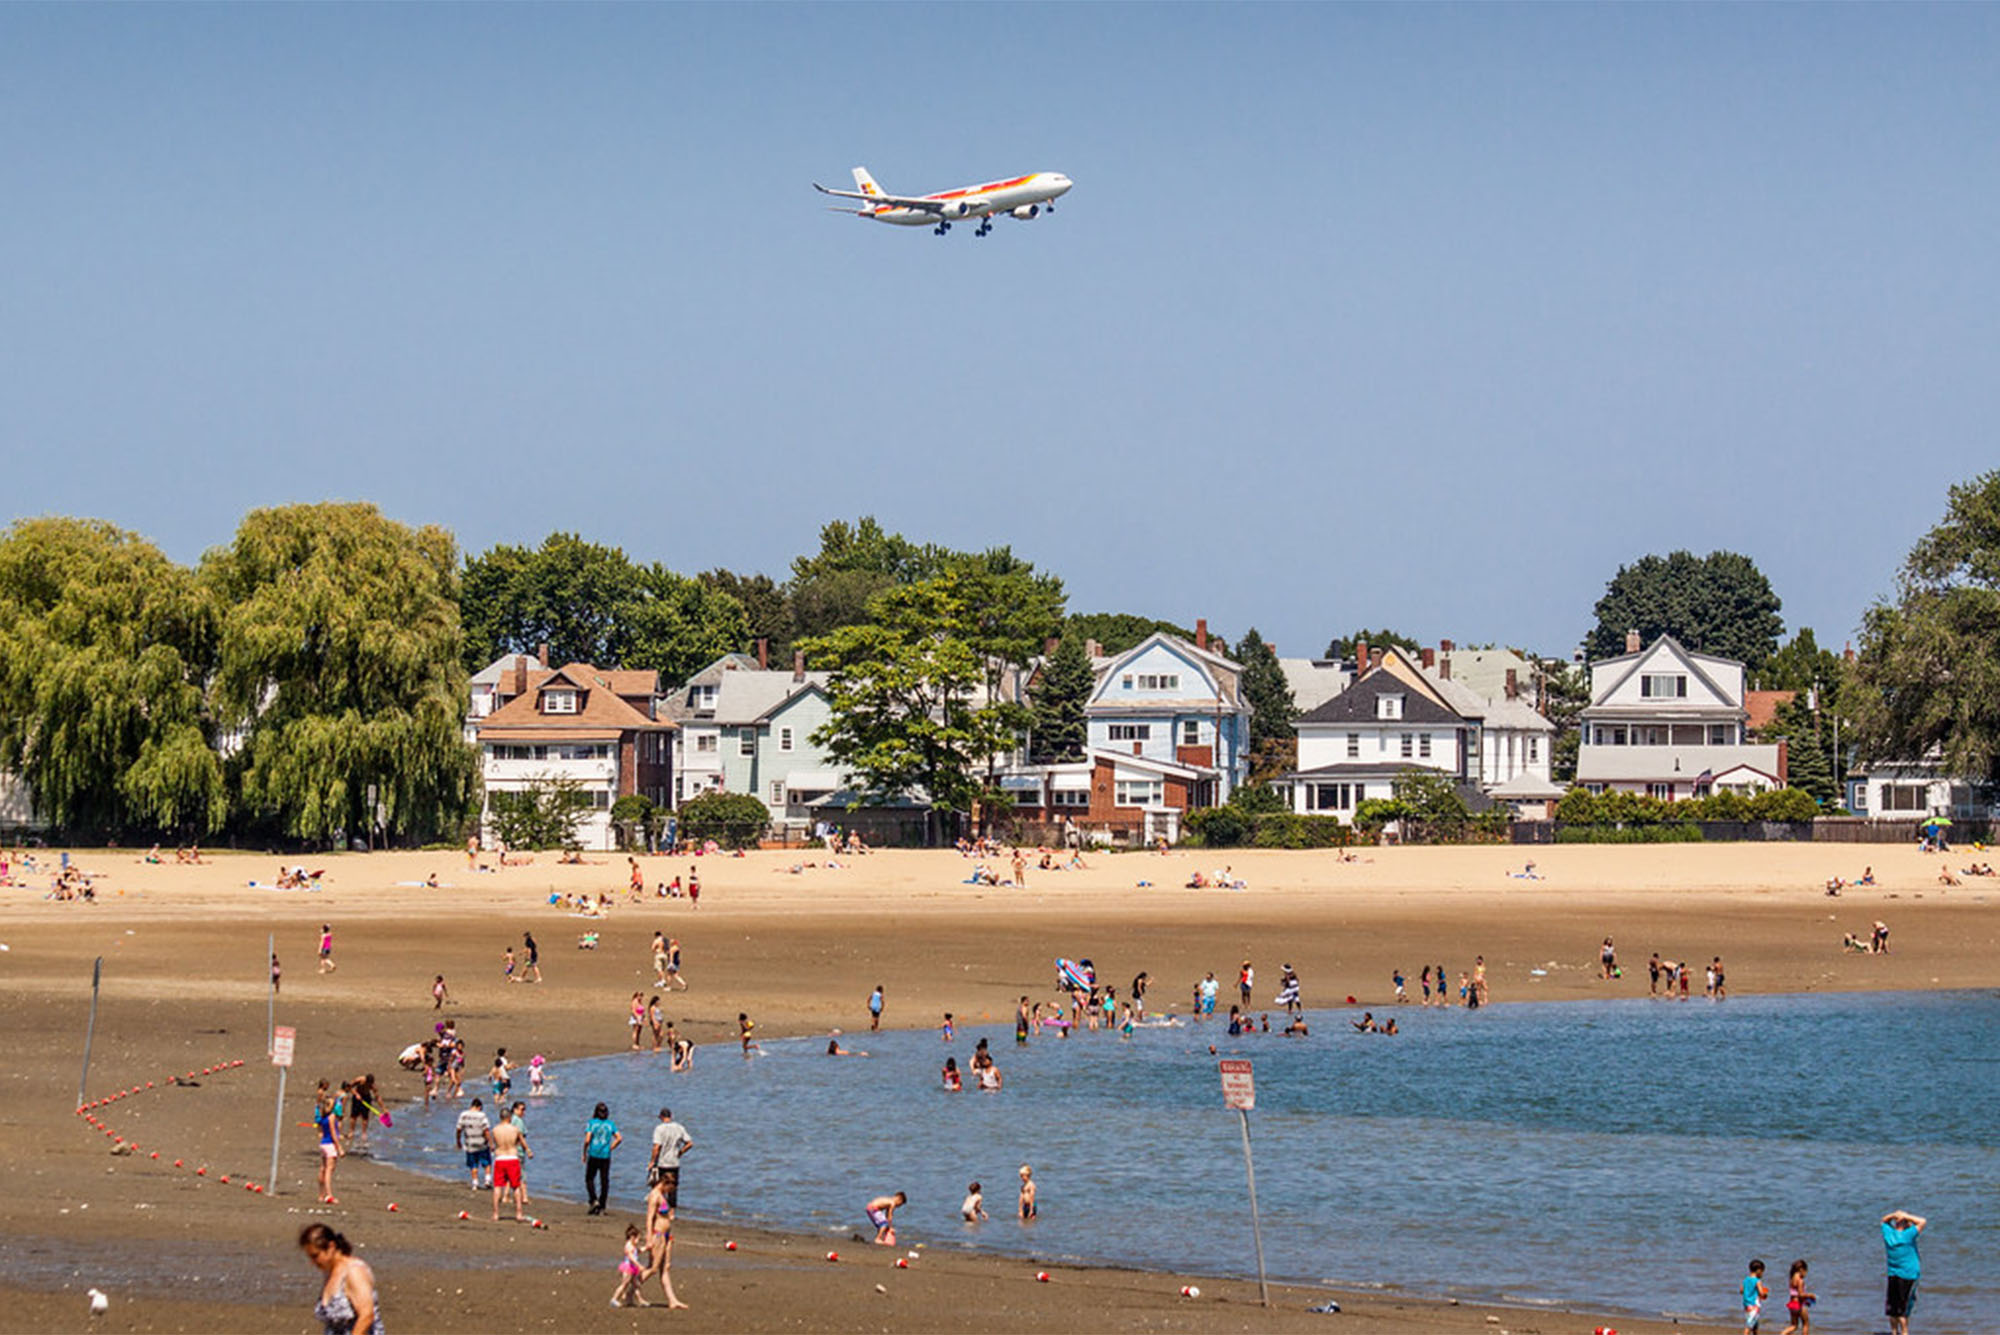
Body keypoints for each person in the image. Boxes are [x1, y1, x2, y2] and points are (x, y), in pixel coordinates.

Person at [299, 1223, 380, 1335]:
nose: (313, 1262)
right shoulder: (331, 1272)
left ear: (331, 1247)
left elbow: (366, 1316)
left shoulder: (354, 1271)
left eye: (315, 1256)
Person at [641, 1174, 690, 1309]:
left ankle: (672, 1300)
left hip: (667, 1235)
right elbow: (649, 1218)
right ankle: (631, 1289)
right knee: (653, 1268)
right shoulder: (655, 1195)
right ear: (665, 1184)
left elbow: (663, 1215)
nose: (670, 1192)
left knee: (665, 1268)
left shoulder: (662, 1195)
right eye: (670, 1188)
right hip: (658, 1235)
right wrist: (649, 1238)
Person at [1881, 1208, 1926, 1335]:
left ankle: (1894, 1332)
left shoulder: (1888, 1234)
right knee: (1904, 1307)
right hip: (1909, 1275)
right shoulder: (1908, 1235)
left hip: (1893, 1273)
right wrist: (1906, 1215)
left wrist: (1894, 1215)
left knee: (1892, 1307)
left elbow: (1883, 1221)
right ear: (1906, 1224)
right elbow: (1922, 1221)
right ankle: (1905, 1332)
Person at [648, 1107, 693, 1210]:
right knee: (673, 1188)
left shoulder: (659, 1129)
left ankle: (663, 1209)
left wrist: (652, 1161)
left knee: (660, 1187)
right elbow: (689, 1143)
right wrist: (680, 1152)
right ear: (671, 1116)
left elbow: (656, 1147)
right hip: (674, 1162)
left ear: (661, 1117)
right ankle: (672, 1212)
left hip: (662, 1163)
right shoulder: (679, 1128)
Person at [489, 1110, 528, 1222]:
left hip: (500, 1158)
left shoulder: (495, 1130)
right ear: (509, 1118)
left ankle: (496, 1213)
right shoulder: (515, 1129)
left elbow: (493, 1145)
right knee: (516, 1187)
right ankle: (519, 1213)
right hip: (512, 1158)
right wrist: (528, 1150)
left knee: (497, 1186)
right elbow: (522, 1142)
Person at [583, 1102, 621, 1215]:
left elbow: (587, 1140)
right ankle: (602, 1205)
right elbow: (619, 1138)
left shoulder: (592, 1123)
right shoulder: (610, 1124)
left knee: (589, 1178)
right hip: (605, 1155)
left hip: (594, 1153)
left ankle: (593, 1199)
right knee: (604, 1180)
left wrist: (584, 1152)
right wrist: (610, 1148)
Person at [314, 1084, 342, 1204]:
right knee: (329, 1170)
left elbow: (321, 1130)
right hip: (330, 1144)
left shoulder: (323, 1117)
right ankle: (329, 1195)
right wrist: (339, 1147)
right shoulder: (331, 1117)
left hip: (323, 1144)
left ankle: (321, 1195)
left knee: (323, 1169)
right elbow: (333, 1133)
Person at [612, 1223, 650, 1308]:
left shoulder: (633, 1245)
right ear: (632, 1237)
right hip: (628, 1267)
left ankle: (638, 1300)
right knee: (624, 1284)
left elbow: (638, 1251)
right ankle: (614, 1299)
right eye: (638, 1239)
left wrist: (646, 1248)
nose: (638, 1241)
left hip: (633, 1268)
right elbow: (631, 1258)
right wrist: (639, 1265)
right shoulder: (628, 1246)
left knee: (636, 1285)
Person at [1780, 1258, 1815, 1335]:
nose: (1805, 1274)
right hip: (1799, 1304)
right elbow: (1801, 1294)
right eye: (1806, 1271)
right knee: (1806, 1324)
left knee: (1794, 1325)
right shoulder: (1800, 1280)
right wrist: (1810, 1295)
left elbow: (1794, 1293)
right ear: (1801, 1269)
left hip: (1792, 1303)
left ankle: (1783, 1333)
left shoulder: (1792, 1279)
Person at [1742, 1258, 1768, 1335]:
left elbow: (1741, 1290)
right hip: (1754, 1306)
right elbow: (1761, 1293)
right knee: (1749, 1325)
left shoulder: (1746, 1279)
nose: (1762, 1274)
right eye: (1762, 1272)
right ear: (1758, 1270)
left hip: (1747, 1304)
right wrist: (1765, 1294)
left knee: (1755, 1325)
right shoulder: (1757, 1281)